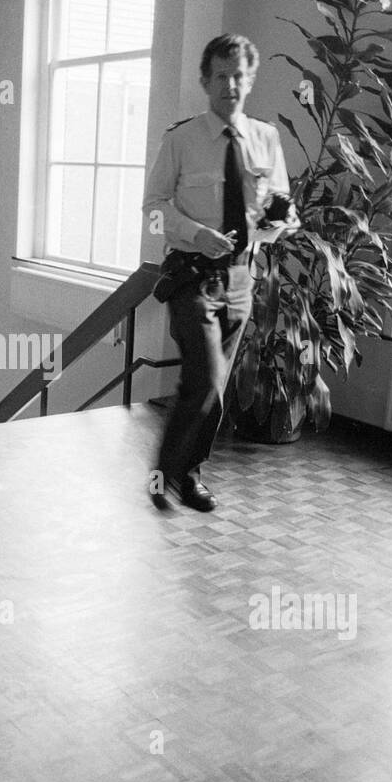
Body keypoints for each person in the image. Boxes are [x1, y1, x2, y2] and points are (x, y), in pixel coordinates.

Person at [143, 34, 294, 511]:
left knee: (214, 388)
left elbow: (280, 210)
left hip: (241, 281)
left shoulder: (266, 138)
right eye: (222, 76)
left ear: (249, 81)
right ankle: (164, 473)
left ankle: (186, 477)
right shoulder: (181, 139)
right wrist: (194, 233)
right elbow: (152, 208)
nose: (231, 85)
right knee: (205, 379)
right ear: (206, 81)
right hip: (193, 277)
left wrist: (275, 221)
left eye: (240, 76)